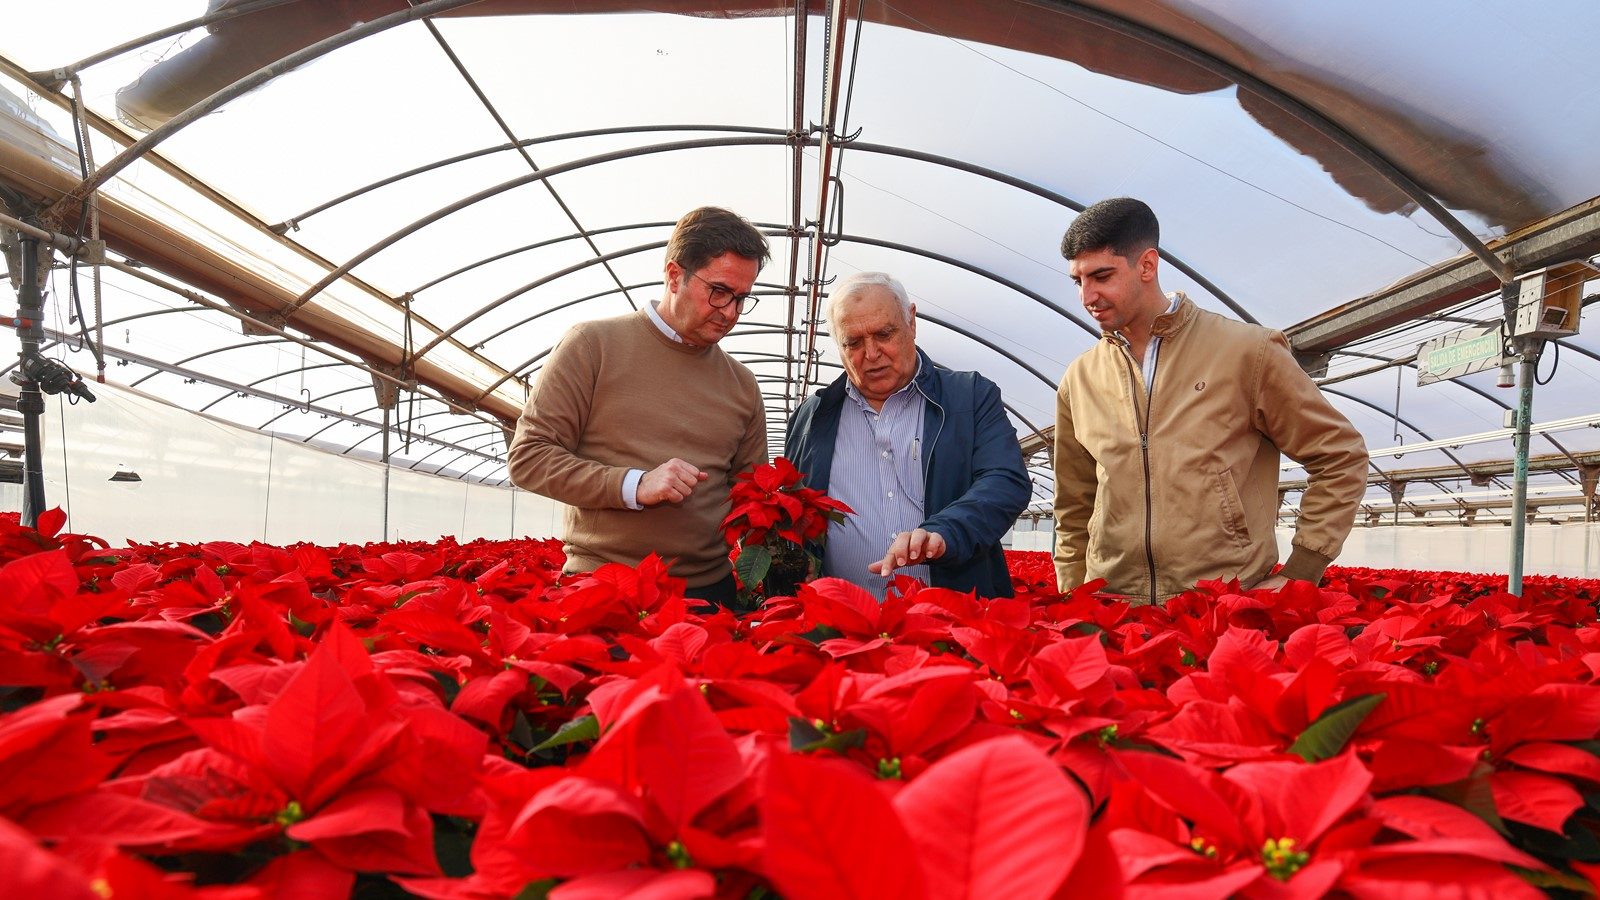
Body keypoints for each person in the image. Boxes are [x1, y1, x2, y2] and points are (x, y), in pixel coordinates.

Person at [1053, 197, 1368, 605]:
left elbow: (1340, 454)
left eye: (1101, 276)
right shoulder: (1080, 378)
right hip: (1115, 609)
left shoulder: (1247, 353)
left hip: (1222, 605)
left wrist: (1302, 570)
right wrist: (1073, 591)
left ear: (1147, 265)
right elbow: (1074, 500)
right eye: (1078, 281)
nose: (1086, 296)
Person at [508, 207, 769, 608]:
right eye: (718, 291)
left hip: (708, 596)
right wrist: (634, 484)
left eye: (741, 298)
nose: (731, 312)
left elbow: (751, 491)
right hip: (604, 587)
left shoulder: (742, 385)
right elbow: (529, 457)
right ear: (674, 275)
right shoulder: (592, 346)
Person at [786, 272, 1031, 598]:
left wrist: (946, 531)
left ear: (911, 322)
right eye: (853, 343)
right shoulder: (812, 417)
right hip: (843, 625)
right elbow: (791, 508)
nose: (871, 354)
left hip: (953, 619)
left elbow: (1005, 481)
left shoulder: (970, 397)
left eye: (884, 334)